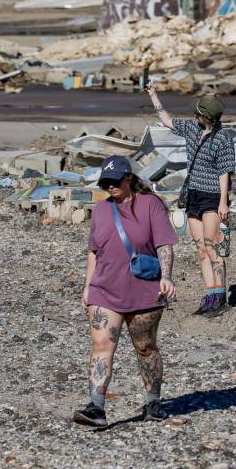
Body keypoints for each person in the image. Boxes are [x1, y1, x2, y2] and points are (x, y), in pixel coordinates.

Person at [73, 156, 178, 428]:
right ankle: (96, 407)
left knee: (145, 347)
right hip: (104, 290)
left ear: (129, 178)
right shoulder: (100, 210)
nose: (110, 186)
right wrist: (87, 286)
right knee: (101, 346)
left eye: (115, 180)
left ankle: (153, 400)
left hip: (145, 291)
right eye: (105, 182)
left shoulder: (150, 205)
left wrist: (166, 277)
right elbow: (93, 252)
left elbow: (165, 245)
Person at [146, 83, 235, 316]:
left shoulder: (223, 138)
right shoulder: (192, 129)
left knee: (212, 246)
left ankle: (219, 296)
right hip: (193, 194)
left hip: (213, 196)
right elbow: (167, 120)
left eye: (197, 113)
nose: (193, 115)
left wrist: (224, 202)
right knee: (201, 249)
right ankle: (209, 294)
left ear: (205, 117)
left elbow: (225, 171)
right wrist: (154, 95)